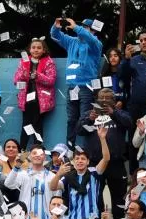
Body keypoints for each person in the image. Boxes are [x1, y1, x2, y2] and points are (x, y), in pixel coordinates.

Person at [49, 18, 102, 146]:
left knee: (86, 119)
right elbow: (55, 36)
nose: (82, 28)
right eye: (81, 26)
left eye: (86, 27)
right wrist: (56, 26)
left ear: (93, 30)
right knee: (71, 120)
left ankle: (87, 150)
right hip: (72, 86)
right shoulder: (72, 41)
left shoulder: (96, 43)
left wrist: (76, 27)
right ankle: (70, 149)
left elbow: (90, 39)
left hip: (87, 87)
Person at [14, 38, 56, 148]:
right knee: (25, 125)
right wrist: (23, 75)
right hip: (26, 99)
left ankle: (37, 151)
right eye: (33, 47)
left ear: (44, 50)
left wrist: (38, 75)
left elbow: (51, 81)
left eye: (39, 47)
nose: (36, 50)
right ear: (29, 49)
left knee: (37, 125)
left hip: (41, 101)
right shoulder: (24, 61)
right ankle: (21, 151)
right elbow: (16, 81)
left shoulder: (48, 62)